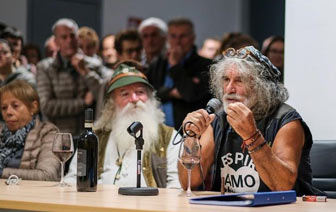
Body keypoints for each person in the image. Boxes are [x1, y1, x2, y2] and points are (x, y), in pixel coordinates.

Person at [179, 46, 321, 196]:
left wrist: (251, 136)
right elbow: (188, 182)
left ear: (261, 86)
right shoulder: (218, 119)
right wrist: (191, 137)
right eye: (226, 79)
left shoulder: (286, 121)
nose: (229, 88)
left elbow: (283, 187)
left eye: (239, 81)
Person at [65, 61, 181, 188]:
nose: (134, 99)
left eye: (140, 92)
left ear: (150, 97)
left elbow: (177, 186)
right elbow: (73, 180)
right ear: (112, 103)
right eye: (125, 94)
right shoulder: (94, 137)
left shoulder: (170, 138)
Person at [146, 17, 212, 130]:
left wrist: (175, 66)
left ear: (192, 38)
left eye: (182, 36)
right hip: (159, 131)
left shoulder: (206, 65)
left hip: (193, 131)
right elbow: (150, 93)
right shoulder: (157, 64)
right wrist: (170, 92)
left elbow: (190, 94)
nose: (177, 41)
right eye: (173, 36)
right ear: (167, 38)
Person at [36, 18, 98, 136]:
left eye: (72, 36)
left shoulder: (92, 64)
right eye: (64, 37)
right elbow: (47, 106)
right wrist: (82, 103)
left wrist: (86, 72)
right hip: (57, 137)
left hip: (86, 136)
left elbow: (103, 94)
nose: (69, 40)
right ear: (56, 41)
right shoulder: (45, 68)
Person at [0, 80, 60, 181]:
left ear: (33, 107)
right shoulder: (1, 131)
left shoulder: (48, 132)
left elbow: (47, 175)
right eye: (4, 108)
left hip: (30, 195)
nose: (8, 112)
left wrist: (2, 172)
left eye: (15, 106)